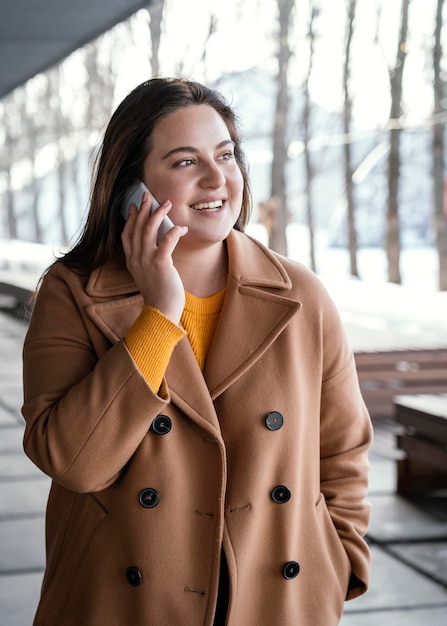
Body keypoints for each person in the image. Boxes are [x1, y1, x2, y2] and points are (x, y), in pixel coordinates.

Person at [22, 77, 372, 626]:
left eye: (225, 154)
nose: (217, 178)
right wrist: (158, 315)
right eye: (186, 162)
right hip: (125, 605)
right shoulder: (73, 293)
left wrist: (338, 564)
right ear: (131, 187)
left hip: (276, 601)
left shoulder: (302, 296)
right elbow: (74, 462)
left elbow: (344, 450)